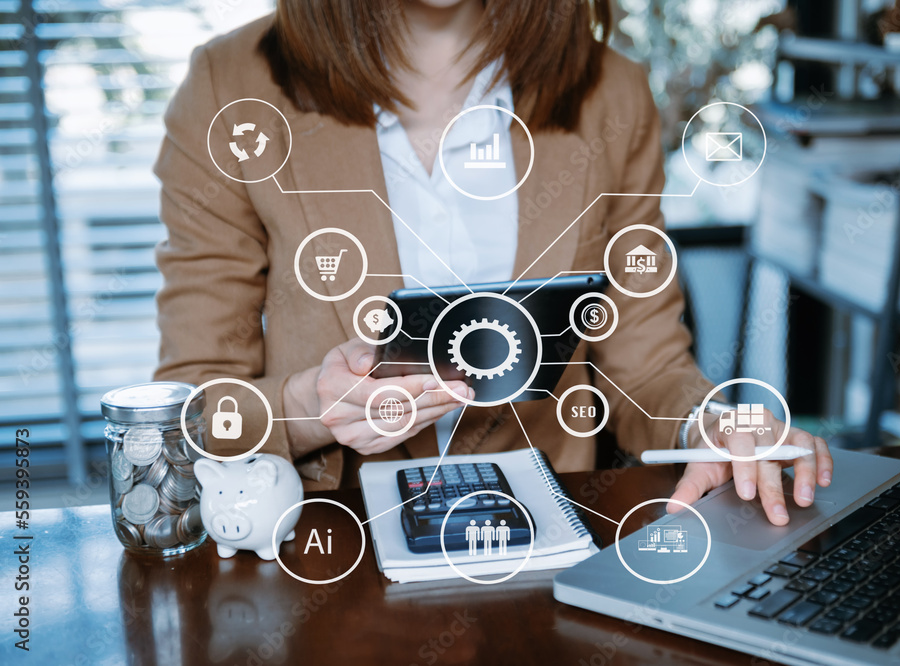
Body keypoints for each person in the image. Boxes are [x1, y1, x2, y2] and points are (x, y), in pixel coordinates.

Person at [153, 0, 832, 527]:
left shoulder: (612, 93)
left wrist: (713, 426)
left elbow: (648, 368)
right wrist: (305, 409)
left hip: (553, 542)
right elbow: (193, 407)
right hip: (333, 551)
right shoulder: (228, 88)